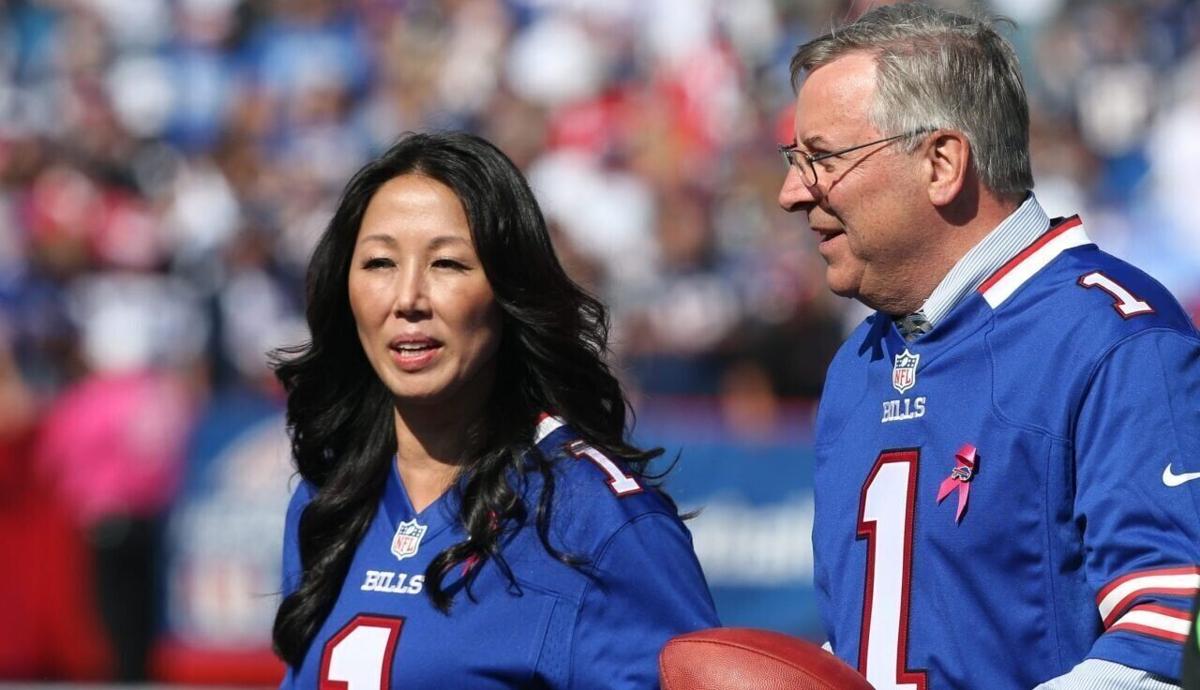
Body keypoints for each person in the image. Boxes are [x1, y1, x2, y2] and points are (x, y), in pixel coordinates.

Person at [777, 4, 1200, 689]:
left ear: (941, 163)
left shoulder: (1114, 337)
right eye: (794, 160)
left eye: (821, 158)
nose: (792, 192)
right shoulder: (860, 363)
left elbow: (1168, 637)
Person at [270, 131, 718, 688]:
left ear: (510, 290)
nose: (407, 298)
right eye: (380, 262)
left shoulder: (598, 519)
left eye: (448, 264)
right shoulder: (329, 497)